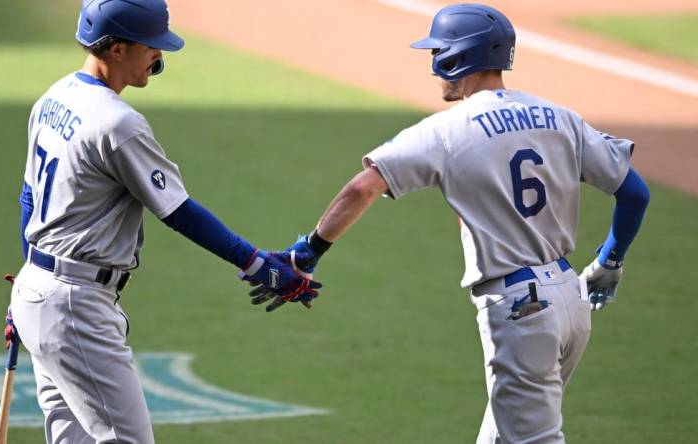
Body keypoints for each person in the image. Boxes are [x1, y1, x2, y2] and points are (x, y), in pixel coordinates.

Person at [252, 4, 650, 443]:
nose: (432, 64)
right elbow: (634, 192)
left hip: (521, 310)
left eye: (437, 52)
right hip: (571, 303)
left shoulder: (447, 130)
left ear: (457, 58)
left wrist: (308, 252)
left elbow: (360, 189)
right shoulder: (559, 117)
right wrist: (610, 259)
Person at [8, 0, 319, 442]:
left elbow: (28, 199)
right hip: (76, 305)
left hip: (38, 291)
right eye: (151, 46)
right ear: (117, 49)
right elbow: (178, 212)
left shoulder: (52, 97)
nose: (160, 56)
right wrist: (258, 264)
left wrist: (27, 285)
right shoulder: (118, 123)